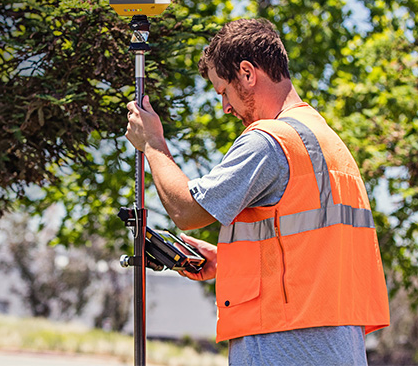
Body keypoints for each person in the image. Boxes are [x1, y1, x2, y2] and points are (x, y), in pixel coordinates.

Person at [125, 18, 390, 365]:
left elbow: (187, 211)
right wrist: (228, 262)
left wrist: (153, 143)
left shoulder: (269, 141)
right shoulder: (327, 142)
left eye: (223, 91)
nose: (225, 107)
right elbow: (314, 255)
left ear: (248, 73)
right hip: (337, 346)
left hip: (283, 345)